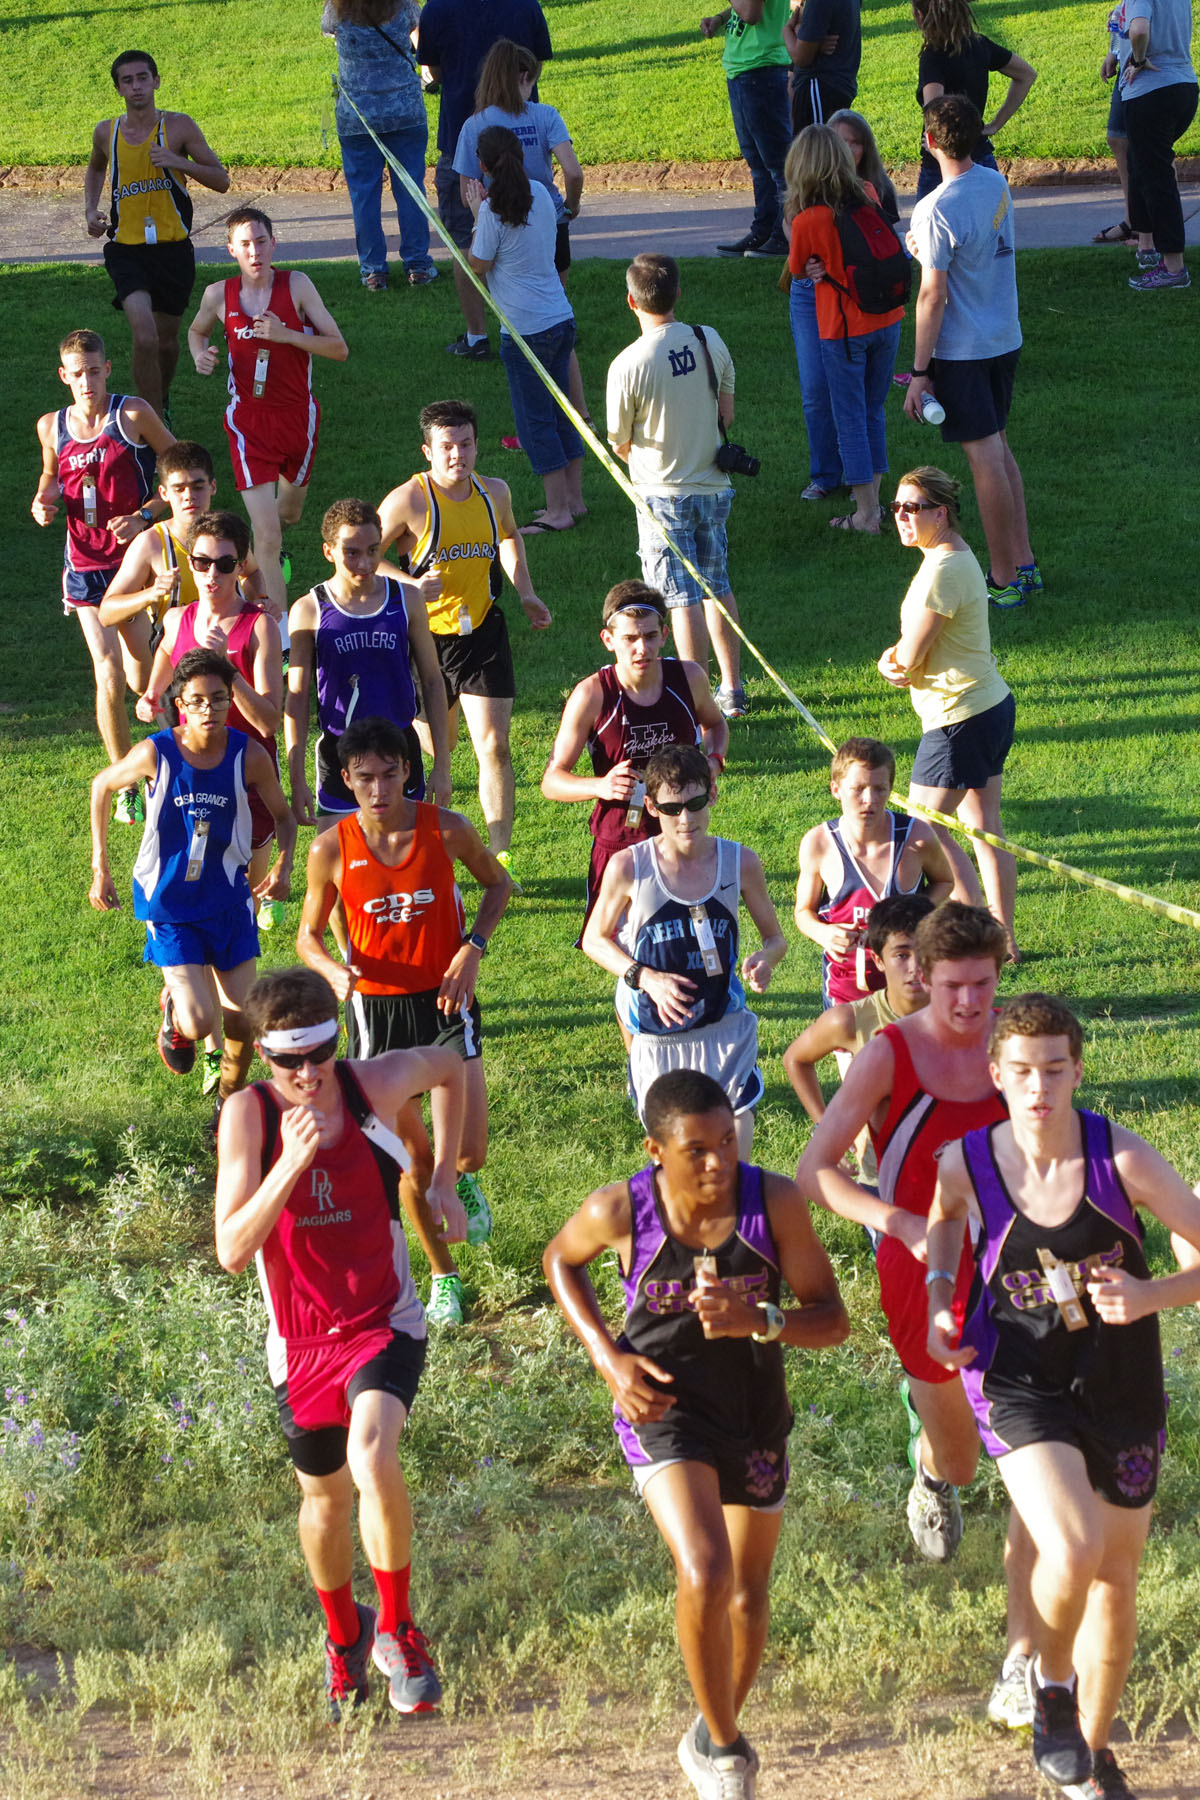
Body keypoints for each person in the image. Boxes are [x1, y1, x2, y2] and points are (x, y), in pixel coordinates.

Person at [543, 1068, 849, 1800]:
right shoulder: (621, 1209)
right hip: (665, 1412)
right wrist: (608, 1357)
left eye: (728, 1143)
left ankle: (711, 1730)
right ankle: (727, 1754)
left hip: (754, 1414)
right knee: (707, 1570)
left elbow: (833, 1319)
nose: (718, 1163)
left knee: (746, 1597)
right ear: (655, 1150)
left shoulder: (774, 1203)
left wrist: (759, 1320)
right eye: (697, 1151)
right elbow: (560, 1260)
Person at [926, 993, 1200, 1795]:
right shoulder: (967, 1162)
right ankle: (1050, 1686)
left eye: (1053, 1070)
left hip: (1121, 1384)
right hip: (1018, 1380)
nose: (1038, 1088)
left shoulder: (1122, 1160)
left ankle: (1093, 1752)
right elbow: (944, 1222)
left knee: (1114, 1580)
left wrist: (1152, 1296)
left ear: (1078, 1070)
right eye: (1021, 1072)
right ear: (995, 1075)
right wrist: (941, 1294)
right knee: (1073, 1546)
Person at [214, 964, 466, 1719]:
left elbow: (449, 1065)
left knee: (373, 1455)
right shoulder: (248, 1117)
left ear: (336, 1043)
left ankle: (398, 1630)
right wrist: (291, 1163)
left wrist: (443, 1178)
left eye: (321, 1054)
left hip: (383, 1319)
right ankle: (343, 1635)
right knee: (323, 1501)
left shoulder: (370, 1085)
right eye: (289, 1061)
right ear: (265, 1055)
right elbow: (232, 1249)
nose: (308, 1075)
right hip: (299, 1343)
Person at [297, 715, 513, 1327]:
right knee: (411, 1163)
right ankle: (443, 1278)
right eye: (364, 778)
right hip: (375, 1013)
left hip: (445, 999)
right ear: (346, 780)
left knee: (469, 1152)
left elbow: (498, 886)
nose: (379, 789)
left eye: (390, 775)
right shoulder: (330, 848)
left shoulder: (447, 829)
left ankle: (460, 1180)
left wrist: (472, 948)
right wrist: (332, 971)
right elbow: (307, 935)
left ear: (407, 772)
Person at [88, 648, 295, 1107]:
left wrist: (284, 863)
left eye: (218, 699)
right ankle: (174, 1011)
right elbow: (101, 786)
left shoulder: (249, 756)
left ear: (230, 701)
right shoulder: (156, 753)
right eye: (197, 700)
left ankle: (228, 1105)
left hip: (228, 899)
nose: (209, 710)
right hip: (171, 905)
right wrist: (101, 866)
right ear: (180, 704)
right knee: (201, 1022)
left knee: (243, 1019)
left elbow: (283, 817)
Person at [376, 399, 552, 878]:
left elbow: (509, 536)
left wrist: (526, 593)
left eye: (467, 444)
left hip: (483, 633)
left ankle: (500, 856)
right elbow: (366, 555)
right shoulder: (410, 501)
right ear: (428, 451)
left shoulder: (495, 493)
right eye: (447, 447)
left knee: (493, 746)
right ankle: (434, 842)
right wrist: (411, 584)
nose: (458, 455)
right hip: (426, 640)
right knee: (441, 749)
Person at [582, 746, 787, 1152]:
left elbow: (775, 939)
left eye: (695, 804)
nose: (686, 819)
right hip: (659, 1041)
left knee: (733, 1164)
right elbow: (594, 939)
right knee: (680, 1167)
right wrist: (646, 978)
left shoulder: (741, 862)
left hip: (724, 1028)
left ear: (712, 795)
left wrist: (766, 959)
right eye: (672, 809)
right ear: (651, 807)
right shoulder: (629, 867)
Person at [31, 327, 173, 821]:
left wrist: (144, 516)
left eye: (94, 371)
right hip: (84, 567)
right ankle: (125, 778)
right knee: (107, 670)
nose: (87, 382)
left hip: (131, 567)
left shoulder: (131, 415)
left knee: (141, 676)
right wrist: (44, 499)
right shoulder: (51, 426)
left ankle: (174, 749)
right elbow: (51, 475)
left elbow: (180, 472)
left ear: (108, 369)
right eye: (78, 374)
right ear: (63, 376)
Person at [903, 95, 1040, 607]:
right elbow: (976, 248)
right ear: (979, 135)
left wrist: (919, 372)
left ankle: (1003, 579)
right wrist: (925, 249)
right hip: (1004, 337)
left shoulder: (935, 207)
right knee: (999, 450)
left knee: (985, 460)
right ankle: (1025, 565)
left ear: (930, 141)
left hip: (964, 350)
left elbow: (931, 296)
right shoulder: (995, 182)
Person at [877, 466, 1018, 961]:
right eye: (896, 507)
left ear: (940, 513)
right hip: (989, 706)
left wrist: (889, 662)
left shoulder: (942, 571)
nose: (901, 516)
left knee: (923, 827)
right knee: (984, 826)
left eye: (911, 508)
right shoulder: (954, 555)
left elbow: (911, 655)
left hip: (959, 718)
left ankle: (977, 932)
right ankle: (1003, 939)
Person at [187, 206, 349, 622]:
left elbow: (338, 348)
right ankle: (280, 636)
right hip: (248, 423)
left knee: (289, 514)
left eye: (261, 242)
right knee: (269, 533)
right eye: (245, 244)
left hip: (297, 419)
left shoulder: (297, 286)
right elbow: (196, 330)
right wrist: (199, 355)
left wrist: (286, 335)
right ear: (231, 250)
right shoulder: (218, 295)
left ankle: (261, 557)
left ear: (274, 244)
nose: (254, 252)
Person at [541, 580, 729, 937]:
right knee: (616, 944)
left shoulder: (688, 678)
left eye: (650, 636)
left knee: (692, 941)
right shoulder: (592, 694)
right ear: (608, 640)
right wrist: (601, 785)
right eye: (629, 638)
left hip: (683, 832)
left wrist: (715, 760)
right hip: (620, 842)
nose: (642, 648)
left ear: (664, 635)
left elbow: (716, 724)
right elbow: (552, 781)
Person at [606, 253, 747, 717]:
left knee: (679, 598)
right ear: (678, 294)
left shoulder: (627, 364)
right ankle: (733, 690)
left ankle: (693, 700)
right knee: (717, 587)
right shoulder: (710, 339)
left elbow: (619, 443)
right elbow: (726, 412)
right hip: (714, 487)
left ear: (631, 301)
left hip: (661, 496)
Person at [136, 510, 285, 919]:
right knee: (190, 884)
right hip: (193, 777)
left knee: (244, 899)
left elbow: (269, 722)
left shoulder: (260, 627)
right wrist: (152, 692)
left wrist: (226, 667)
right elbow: (168, 648)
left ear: (241, 565)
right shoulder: (177, 618)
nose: (212, 574)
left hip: (247, 775)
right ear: (191, 562)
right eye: (202, 562)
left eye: (224, 563)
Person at [284, 497, 452, 841]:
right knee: (340, 863)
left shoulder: (407, 600)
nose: (364, 563)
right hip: (340, 751)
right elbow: (297, 697)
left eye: (373, 551)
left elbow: (433, 681)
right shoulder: (310, 609)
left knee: (406, 858)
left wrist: (443, 766)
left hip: (399, 748)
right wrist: (297, 779)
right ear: (329, 551)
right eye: (352, 552)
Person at [84, 49, 230, 421]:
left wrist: (177, 161)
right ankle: (149, 423)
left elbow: (221, 180)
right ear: (118, 88)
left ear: (156, 81)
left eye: (142, 78)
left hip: (172, 250)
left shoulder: (179, 127)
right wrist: (90, 209)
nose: (136, 86)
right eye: (127, 80)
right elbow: (96, 168)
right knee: (145, 336)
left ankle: (160, 401)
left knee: (166, 343)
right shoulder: (106, 131)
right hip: (126, 249)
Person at [452, 38, 589, 422]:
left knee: (525, 327)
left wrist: (481, 212)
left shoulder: (475, 125)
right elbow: (573, 172)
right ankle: (580, 413)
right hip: (550, 221)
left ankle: (538, 413)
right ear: (524, 76)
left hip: (502, 226)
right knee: (555, 315)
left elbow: (466, 191)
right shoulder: (545, 115)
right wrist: (571, 206)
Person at [784, 125, 908, 536]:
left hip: (844, 329)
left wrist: (813, 264)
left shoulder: (807, 219)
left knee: (850, 417)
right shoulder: (869, 192)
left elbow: (798, 268)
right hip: (887, 320)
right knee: (873, 411)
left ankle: (866, 515)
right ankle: (873, 501)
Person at [463, 126, 585, 536]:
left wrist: (476, 214)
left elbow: (478, 264)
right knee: (564, 413)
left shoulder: (491, 212)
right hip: (560, 319)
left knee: (536, 423)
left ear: (483, 167)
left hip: (525, 334)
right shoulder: (542, 195)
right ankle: (574, 500)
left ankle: (557, 511)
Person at [415, 0, 553, 359]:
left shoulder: (437, 9)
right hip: (523, 141)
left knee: (466, 242)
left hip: (462, 140)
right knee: (531, 234)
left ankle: (477, 336)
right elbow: (537, 61)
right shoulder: (525, 5)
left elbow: (434, 71)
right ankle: (540, 325)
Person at [783, 892, 934, 1183]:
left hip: (954, 1178)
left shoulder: (960, 1014)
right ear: (878, 959)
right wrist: (825, 1129)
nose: (915, 966)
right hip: (882, 1181)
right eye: (901, 955)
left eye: (926, 951)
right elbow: (796, 1059)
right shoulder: (851, 1020)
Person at [793, 736, 952, 1009]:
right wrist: (824, 934)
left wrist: (914, 915)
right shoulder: (819, 843)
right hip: (846, 991)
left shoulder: (916, 838)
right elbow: (803, 912)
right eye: (858, 789)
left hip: (911, 987)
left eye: (880, 789)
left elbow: (945, 881)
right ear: (836, 789)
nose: (870, 800)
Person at [98, 440, 267, 647]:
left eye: (198, 487)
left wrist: (260, 598)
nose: (189, 497)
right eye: (179, 489)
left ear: (213, 486)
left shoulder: (227, 532)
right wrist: (151, 594)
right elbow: (106, 613)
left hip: (233, 647)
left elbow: (251, 572)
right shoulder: (151, 544)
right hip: (177, 657)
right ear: (164, 493)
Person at [321, 0, 438, 291]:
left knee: (364, 197)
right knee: (411, 190)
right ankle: (419, 265)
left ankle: (373, 271)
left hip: (357, 116)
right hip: (405, 110)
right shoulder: (404, 5)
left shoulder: (336, 8)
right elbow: (422, 40)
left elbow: (328, 31)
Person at [910, 0, 1037, 203]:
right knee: (991, 220)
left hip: (943, 167)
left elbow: (935, 111)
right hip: (980, 155)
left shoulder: (933, 56)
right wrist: (995, 125)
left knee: (927, 223)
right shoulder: (979, 45)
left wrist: (935, 147)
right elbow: (1026, 74)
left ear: (920, 15)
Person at [1111, 0, 1197, 291]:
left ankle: (1173, 268)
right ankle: (1148, 248)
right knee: (1141, 166)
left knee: (1157, 179)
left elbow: (1138, 30)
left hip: (1151, 92)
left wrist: (1137, 60)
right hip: (1184, 87)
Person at [701, 0, 793, 259]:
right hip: (744, 69)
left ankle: (784, 235)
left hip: (761, 68)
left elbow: (752, 13)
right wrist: (720, 19)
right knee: (758, 162)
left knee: (777, 163)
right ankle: (763, 231)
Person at [785, 0, 863, 136]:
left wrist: (787, 30)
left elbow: (801, 57)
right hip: (839, 82)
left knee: (816, 146)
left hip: (819, 85)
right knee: (829, 145)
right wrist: (807, 37)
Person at [828, 108, 900, 224]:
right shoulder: (814, 186)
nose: (848, 150)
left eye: (856, 142)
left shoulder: (881, 188)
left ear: (866, 149)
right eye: (842, 141)